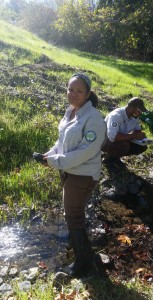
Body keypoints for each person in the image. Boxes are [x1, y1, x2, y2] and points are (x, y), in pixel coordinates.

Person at [39, 73, 106, 278]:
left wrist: (54, 162)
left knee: (73, 216)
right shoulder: (70, 112)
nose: (73, 94)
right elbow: (62, 143)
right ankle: (87, 255)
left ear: (87, 94)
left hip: (83, 174)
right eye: (70, 89)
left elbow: (84, 152)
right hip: (68, 170)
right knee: (74, 214)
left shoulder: (93, 118)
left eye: (79, 91)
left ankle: (82, 264)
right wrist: (49, 155)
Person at [102, 97, 148, 166]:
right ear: (132, 108)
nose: (140, 113)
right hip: (104, 141)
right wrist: (134, 136)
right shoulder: (116, 116)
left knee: (142, 146)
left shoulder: (134, 117)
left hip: (118, 141)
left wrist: (141, 136)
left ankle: (116, 156)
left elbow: (137, 130)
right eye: (139, 111)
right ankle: (107, 161)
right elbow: (112, 137)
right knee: (124, 145)